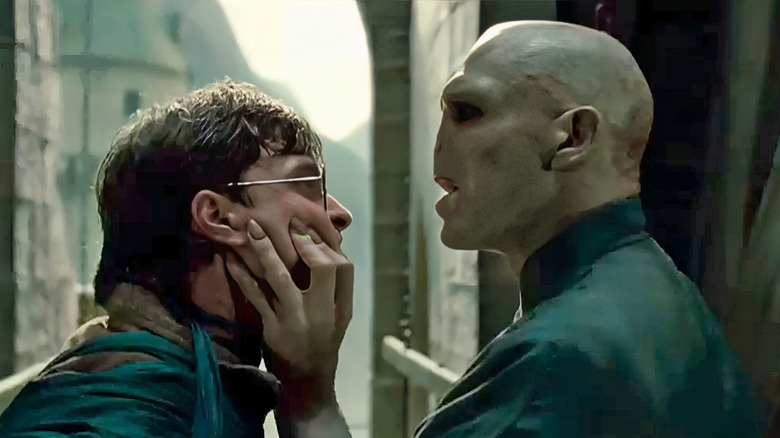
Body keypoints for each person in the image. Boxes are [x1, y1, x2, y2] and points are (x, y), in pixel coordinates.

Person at [235, 20, 760, 437]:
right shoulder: (665, 294)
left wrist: (308, 394)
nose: (438, 152)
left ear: (573, 137)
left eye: (467, 112)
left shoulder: (556, 362)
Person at [0, 80, 355, 437]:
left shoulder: (170, 387)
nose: (340, 214)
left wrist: (305, 389)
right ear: (217, 216)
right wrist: (312, 406)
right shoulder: (121, 421)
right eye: (305, 182)